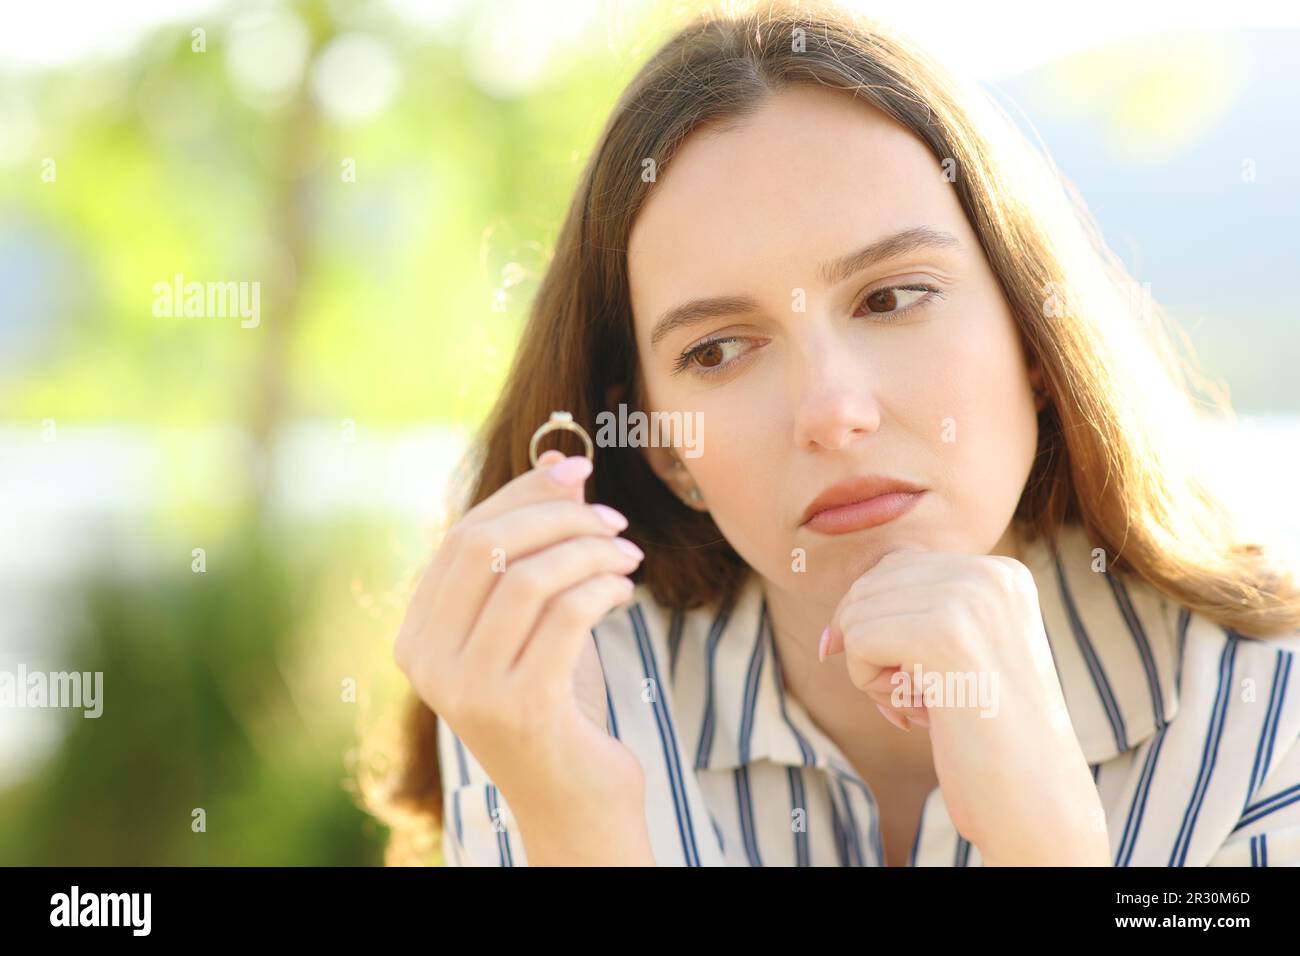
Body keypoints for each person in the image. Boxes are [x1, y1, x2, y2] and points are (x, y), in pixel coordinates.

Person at [376, 1, 1300, 866]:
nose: (830, 412)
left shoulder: (1262, 714)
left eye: (892, 298)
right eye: (720, 349)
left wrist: (1045, 838)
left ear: (1030, 336)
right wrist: (581, 823)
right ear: (662, 444)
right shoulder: (556, 688)